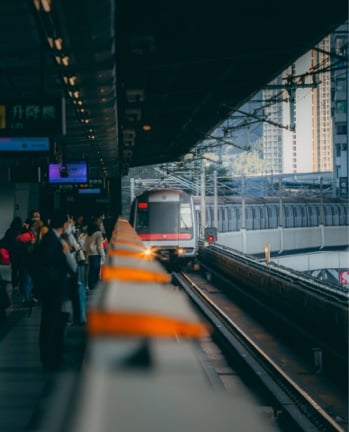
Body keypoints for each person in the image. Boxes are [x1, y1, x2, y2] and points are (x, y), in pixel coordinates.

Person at [36, 209, 72, 371]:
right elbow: (50, 263)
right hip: (52, 289)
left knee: (53, 322)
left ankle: (52, 356)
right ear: (64, 224)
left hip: (54, 288)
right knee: (50, 323)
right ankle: (49, 358)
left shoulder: (53, 239)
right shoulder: (51, 240)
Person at [0, 216, 23, 289]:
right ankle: (20, 284)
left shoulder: (9, 231)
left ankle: (14, 284)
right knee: (21, 269)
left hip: (12, 253)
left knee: (14, 269)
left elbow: (5, 241)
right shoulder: (22, 231)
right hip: (21, 253)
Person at [84, 217, 105, 290]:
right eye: (99, 221)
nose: (100, 223)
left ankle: (90, 286)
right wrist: (103, 256)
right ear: (96, 222)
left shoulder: (89, 231)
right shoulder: (98, 233)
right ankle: (94, 288)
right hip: (96, 254)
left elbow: (86, 243)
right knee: (96, 271)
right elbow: (100, 246)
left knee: (91, 271)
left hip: (90, 254)